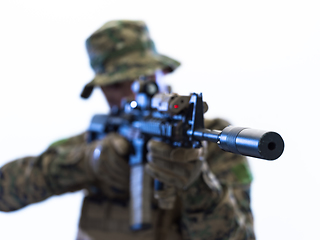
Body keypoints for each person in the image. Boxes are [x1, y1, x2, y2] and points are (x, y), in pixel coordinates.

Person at [0, 20, 255, 240]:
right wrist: (87, 162)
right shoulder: (95, 139)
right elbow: (5, 191)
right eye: (116, 84)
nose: (132, 91)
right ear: (99, 89)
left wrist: (199, 188)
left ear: (162, 71)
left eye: (143, 78)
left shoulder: (210, 143)